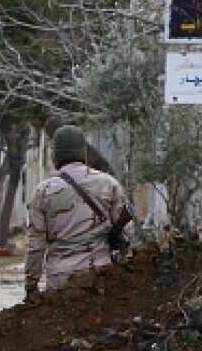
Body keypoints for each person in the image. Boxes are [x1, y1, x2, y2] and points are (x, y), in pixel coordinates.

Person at [25, 125, 133, 301]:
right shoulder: (109, 184)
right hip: (100, 275)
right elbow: (127, 235)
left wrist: (31, 286)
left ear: (55, 155)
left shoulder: (43, 192)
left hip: (60, 280)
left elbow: (36, 246)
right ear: (83, 152)